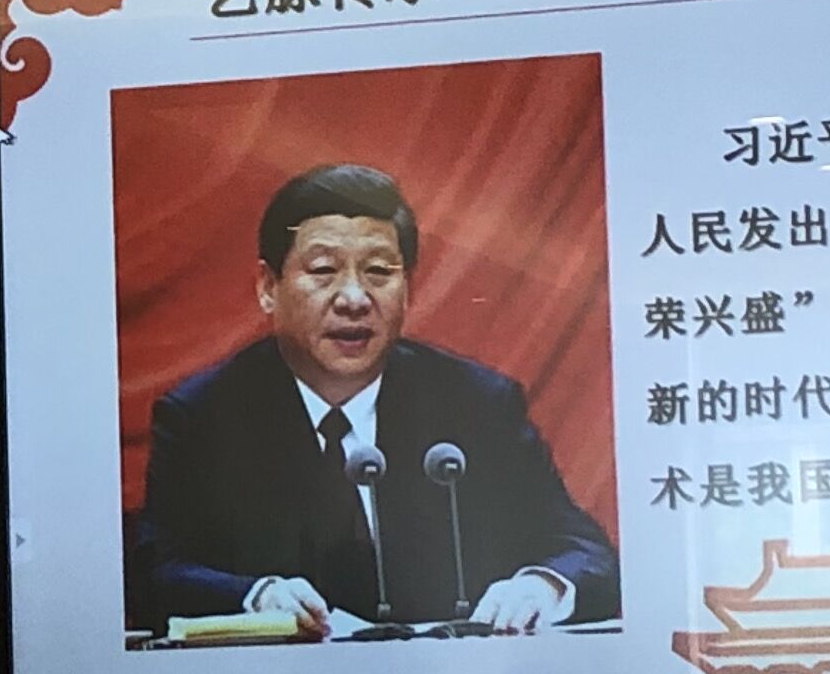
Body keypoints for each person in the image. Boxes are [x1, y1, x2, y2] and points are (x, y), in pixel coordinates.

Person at [129, 162, 618, 635]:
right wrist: (256, 596)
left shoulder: (475, 404)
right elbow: (155, 573)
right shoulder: (206, 415)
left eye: (379, 271)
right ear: (268, 287)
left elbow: (585, 551)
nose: (354, 299)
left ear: (407, 290)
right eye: (324, 270)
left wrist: (543, 585)